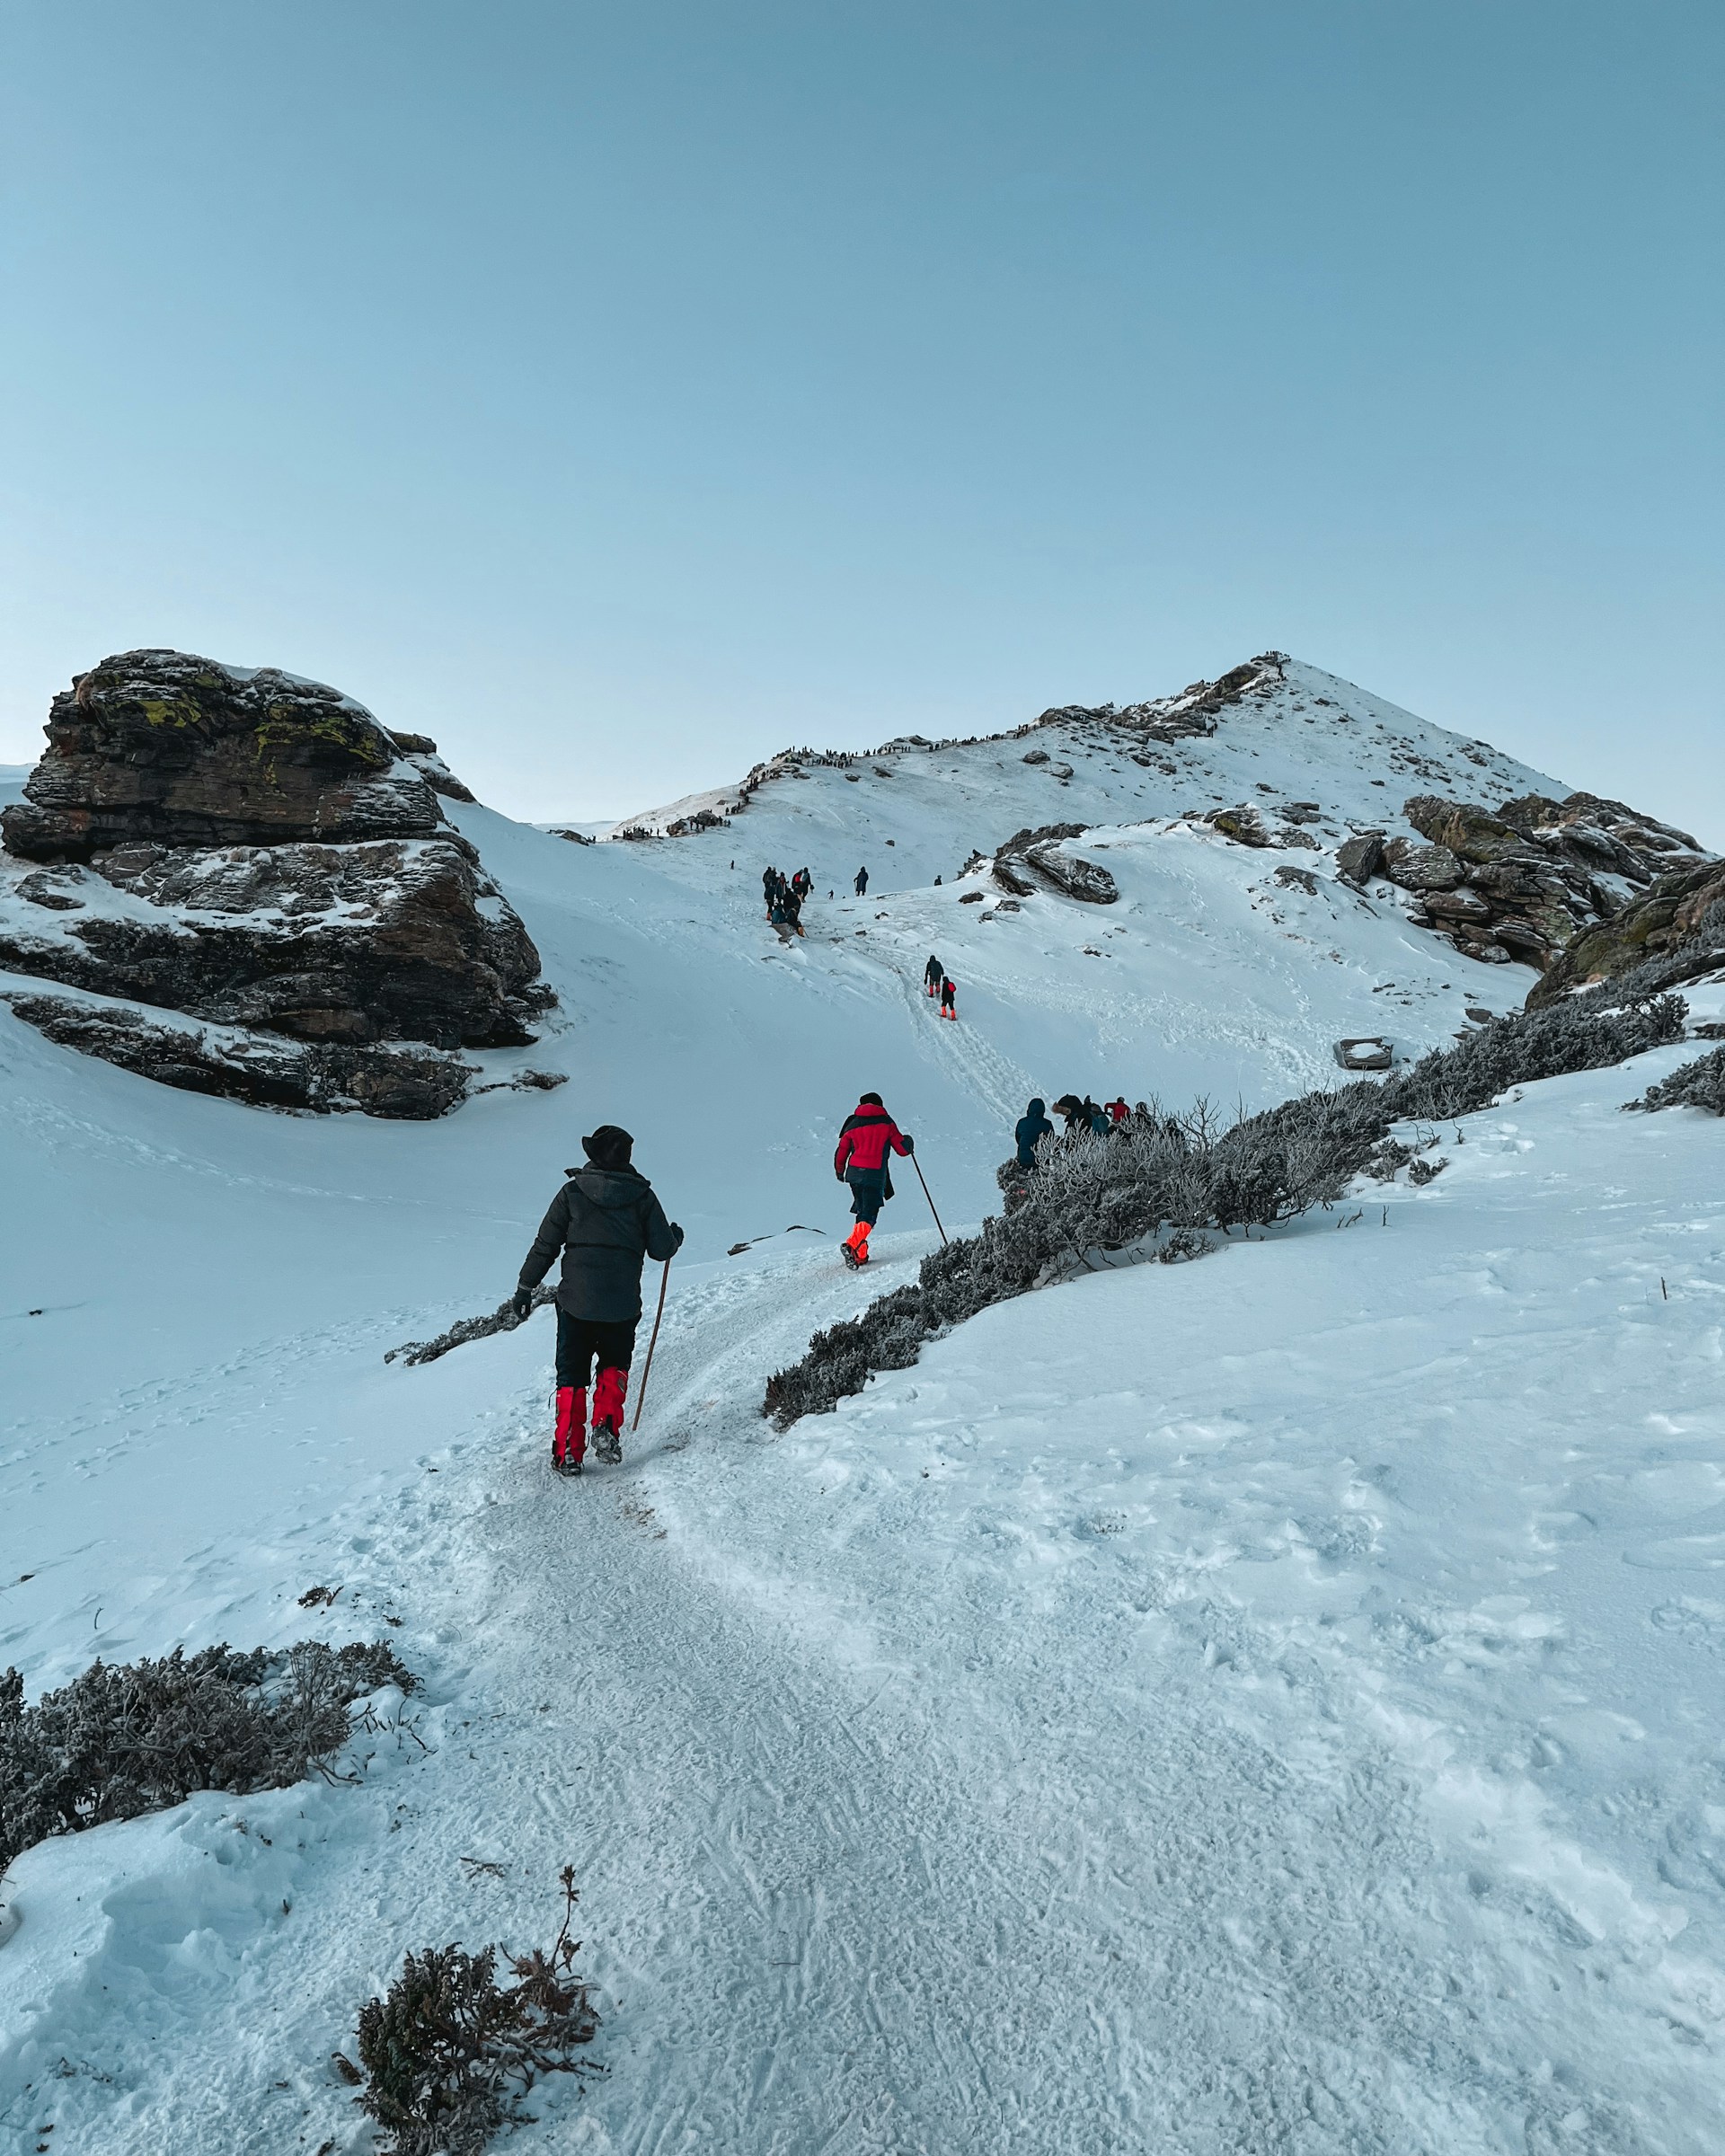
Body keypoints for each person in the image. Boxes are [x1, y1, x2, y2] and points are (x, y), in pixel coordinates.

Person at [514, 1126, 684, 1475]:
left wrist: (525, 1287)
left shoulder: (572, 1193)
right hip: (621, 1303)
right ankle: (606, 1426)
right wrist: (675, 1238)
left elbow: (545, 1245)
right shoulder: (642, 1197)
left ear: (593, 1156)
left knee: (572, 1375)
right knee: (613, 1365)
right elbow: (661, 1250)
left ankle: (568, 1452)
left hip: (576, 1300)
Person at [833, 1091, 913, 1268]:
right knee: (869, 1213)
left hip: (854, 1174)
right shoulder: (886, 1123)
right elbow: (902, 1150)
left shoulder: (852, 1123)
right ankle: (852, 1244)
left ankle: (860, 1255)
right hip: (874, 1174)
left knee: (863, 1210)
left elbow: (842, 1151)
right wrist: (908, 1142)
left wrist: (840, 1171)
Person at [1014, 1097, 1054, 1169]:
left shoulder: (1022, 1122)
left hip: (1023, 1157)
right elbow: (1051, 1141)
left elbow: (1018, 1138)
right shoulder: (1047, 1124)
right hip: (1040, 1158)